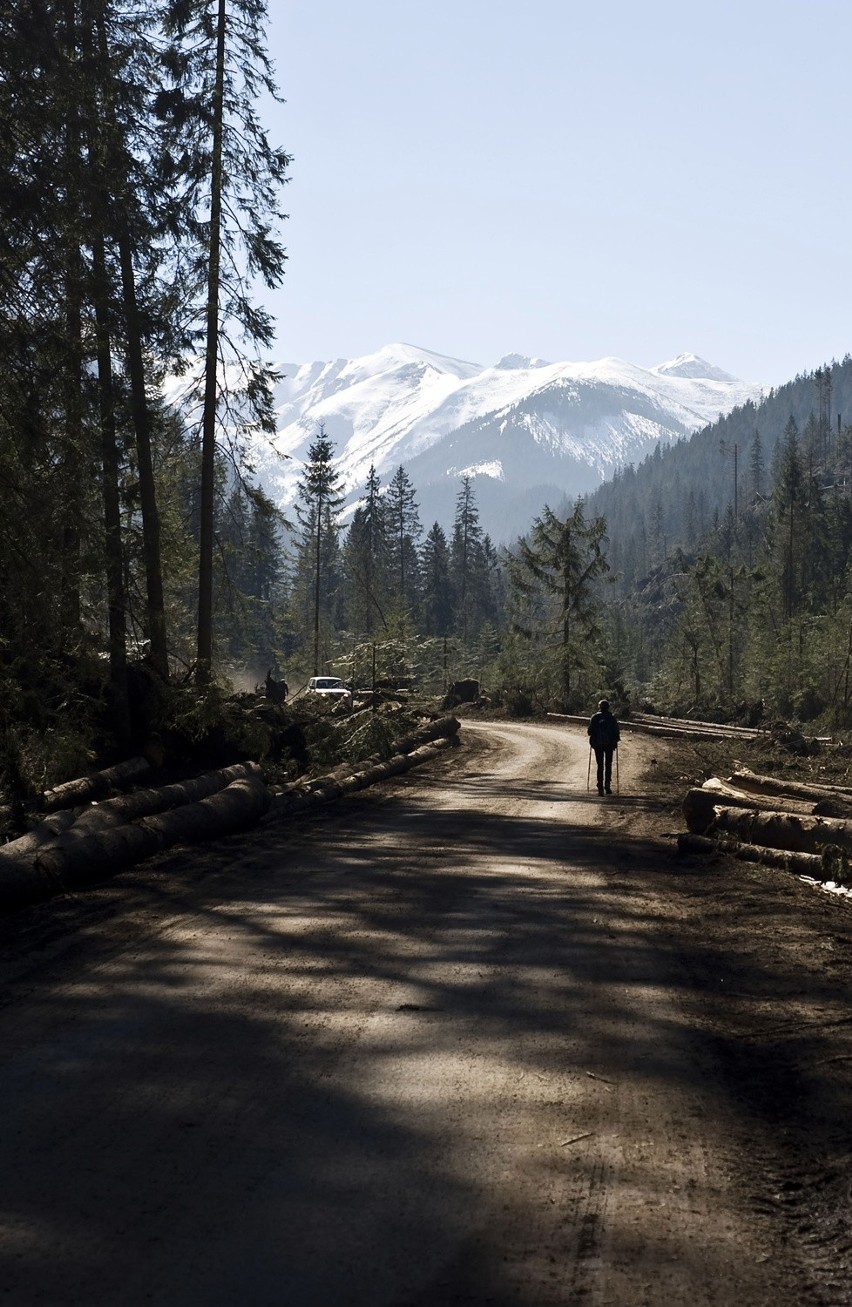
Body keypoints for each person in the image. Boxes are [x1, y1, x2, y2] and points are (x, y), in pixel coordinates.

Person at [588, 698, 620, 795]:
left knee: (600, 765)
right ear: (608, 707)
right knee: (608, 765)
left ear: (599, 707)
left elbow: (590, 732)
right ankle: (607, 785)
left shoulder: (595, 717)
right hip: (609, 745)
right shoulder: (612, 717)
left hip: (598, 745)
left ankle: (600, 786)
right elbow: (616, 732)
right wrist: (615, 741)